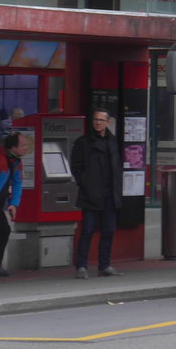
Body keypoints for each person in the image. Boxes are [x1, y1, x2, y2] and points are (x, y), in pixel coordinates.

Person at [70, 109, 124, 280]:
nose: (98, 123)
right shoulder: (83, 142)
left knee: (108, 231)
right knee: (87, 230)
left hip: (110, 193)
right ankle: (81, 266)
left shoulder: (113, 142)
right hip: (90, 193)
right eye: (96, 120)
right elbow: (76, 166)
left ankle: (104, 265)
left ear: (108, 122)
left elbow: (117, 166)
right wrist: (85, 183)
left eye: (101, 120)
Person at [0, 132, 30, 277]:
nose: (26, 148)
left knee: (4, 230)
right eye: (23, 145)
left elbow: (17, 183)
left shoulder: (16, 161)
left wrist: (14, 204)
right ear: (13, 147)